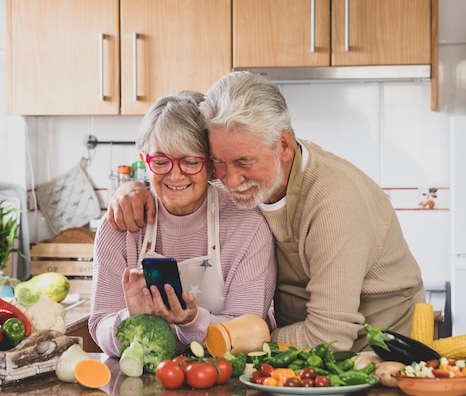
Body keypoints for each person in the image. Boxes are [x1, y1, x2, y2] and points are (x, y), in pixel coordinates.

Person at [107, 72, 426, 352]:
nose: (229, 180)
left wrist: (239, 338)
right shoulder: (246, 172)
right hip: (297, 348)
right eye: (218, 163)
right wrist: (134, 188)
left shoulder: (334, 203)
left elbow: (330, 334)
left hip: (372, 347)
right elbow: (176, 168)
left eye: (244, 163)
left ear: (284, 146)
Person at [88, 91, 277, 357]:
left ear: (211, 165)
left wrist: (192, 321)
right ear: (145, 162)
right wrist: (131, 318)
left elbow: (247, 333)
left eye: (190, 161)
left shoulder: (246, 225)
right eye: (161, 161)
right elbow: (99, 327)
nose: (175, 175)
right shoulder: (121, 225)